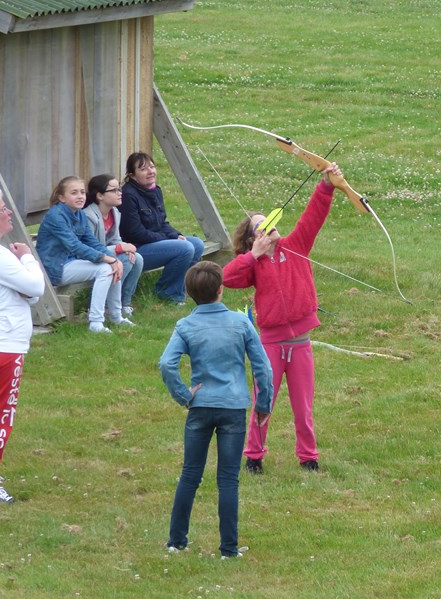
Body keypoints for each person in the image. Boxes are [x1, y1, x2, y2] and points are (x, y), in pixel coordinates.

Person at [223, 162, 345, 475]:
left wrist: (327, 184)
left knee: (303, 408)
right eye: (261, 226)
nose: (270, 226)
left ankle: (308, 457)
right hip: (270, 346)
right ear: (253, 239)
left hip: (301, 344)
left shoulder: (296, 245)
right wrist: (254, 255)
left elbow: (313, 215)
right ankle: (254, 456)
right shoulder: (253, 263)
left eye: (271, 221)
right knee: (263, 402)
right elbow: (227, 278)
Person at [159, 261, 273, 558]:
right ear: (221, 289)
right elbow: (263, 367)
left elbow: (166, 364)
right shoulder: (241, 323)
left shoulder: (185, 326)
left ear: (189, 293)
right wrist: (263, 404)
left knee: (190, 474)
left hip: (199, 406)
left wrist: (183, 395)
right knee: (228, 479)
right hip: (233, 408)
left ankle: (176, 542)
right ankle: (228, 549)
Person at [35, 177, 131, 333]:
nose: (80, 196)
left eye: (82, 192)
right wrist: (108, 259)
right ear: (62, 197)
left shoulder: (79, 215)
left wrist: (114, 259)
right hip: (54, 269)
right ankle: (96, 322)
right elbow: (75, 245)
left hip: (71, 263)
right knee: (106, 269)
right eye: (74, 193)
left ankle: (116, 317)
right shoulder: (56, 216)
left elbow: (92, 242)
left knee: (114, 265)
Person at [0, 194, 46, 504]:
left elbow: (28, 294)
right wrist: (28, 258)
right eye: (3, 208)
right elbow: (36, 288)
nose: (9, 213)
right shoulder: (4, 257)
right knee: (3, 415)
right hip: (6, 344)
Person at [119, 152, 205, 305]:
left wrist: (175, 234)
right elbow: (135, 233)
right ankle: (167, 293)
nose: (150, 171)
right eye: (143, 169)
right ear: (132, 175)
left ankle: (179, 288)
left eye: (152, 167)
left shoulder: (155, 190)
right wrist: (168, 238)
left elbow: (161, 222)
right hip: (136, 250)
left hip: (154, 242)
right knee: (185, 248)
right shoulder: (128, 195)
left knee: (197, 244)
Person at [84, 174, 144, 318]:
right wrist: (120, 249)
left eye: (119, 189)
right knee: (124, 260)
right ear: (100, 196)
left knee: (137, 258)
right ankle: (105, 305)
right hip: (90, 257)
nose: (120, 193)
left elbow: (115, 239)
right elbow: (90, 247)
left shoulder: (114, 213)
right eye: (114, 190)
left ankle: (124, 303)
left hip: (105, 253)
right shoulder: (88, 216)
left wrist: (124, 247)